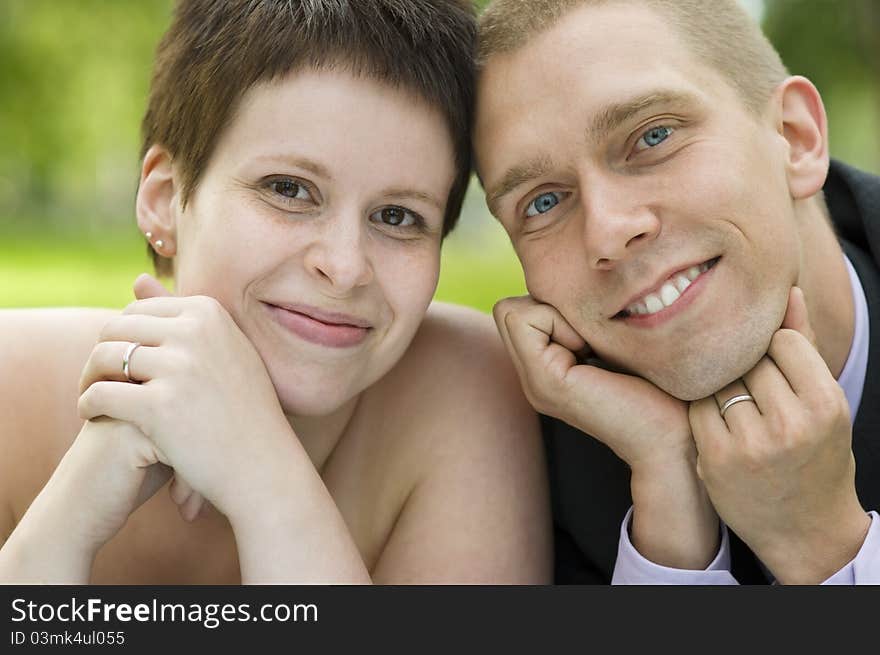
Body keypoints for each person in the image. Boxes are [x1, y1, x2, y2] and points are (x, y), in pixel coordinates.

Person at [0, 0, 551, 584]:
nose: (343, 268)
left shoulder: (463, 391)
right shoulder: (12, 388)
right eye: (289, 189)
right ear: (164, 200)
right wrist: (60, 531)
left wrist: (266, 478)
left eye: (397, 216)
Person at [474, 0, 880, 584]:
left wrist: (822, 547)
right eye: (542, 202)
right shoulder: (532, 474)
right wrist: (668, 521)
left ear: (795, 138)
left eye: (653, 136)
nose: (609, 231)